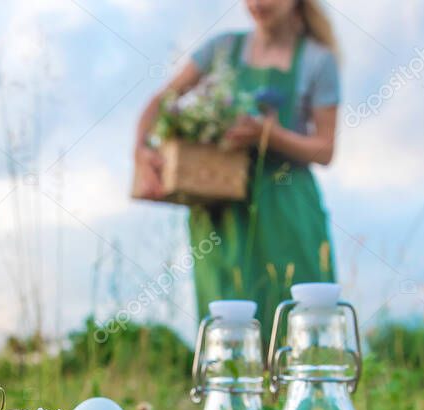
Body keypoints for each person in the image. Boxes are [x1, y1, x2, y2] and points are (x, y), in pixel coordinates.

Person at [134, 0, 340, 344]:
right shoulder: (221, 49)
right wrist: (142, 151)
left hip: (286, 205)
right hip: (221, 208)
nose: (259, 3)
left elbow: (325, 148)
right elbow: (159, 103)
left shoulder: (317, 60)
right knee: (227, 326)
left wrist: (269, 136)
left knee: (295, 319)